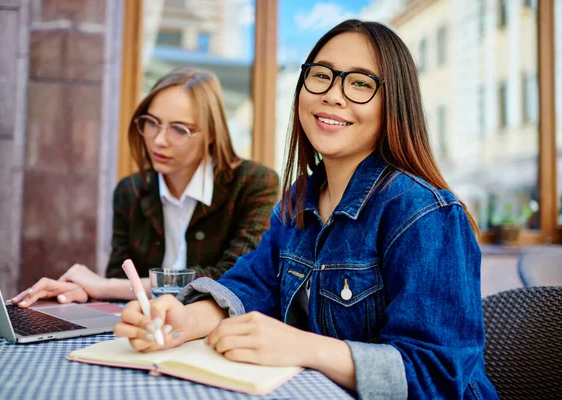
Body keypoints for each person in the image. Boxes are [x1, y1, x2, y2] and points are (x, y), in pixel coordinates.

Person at [114, 20, 499, 399]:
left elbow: (436, 376)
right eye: (321, 76)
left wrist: (303, 346)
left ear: (393, 105)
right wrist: (183, 319)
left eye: (361, 83)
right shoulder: (298, 201)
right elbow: (252, 284)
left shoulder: (424, 213)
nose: (333, 94)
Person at [11, 67, 279, 307]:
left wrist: (104, 287)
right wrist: (84, 291)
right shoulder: (131, 190)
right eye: (152, 123)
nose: (159, 140)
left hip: (212, 327)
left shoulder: (254, 183)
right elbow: (120, 278)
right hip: (143, 325)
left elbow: (232, 276)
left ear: (211, 134)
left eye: (179, 129)